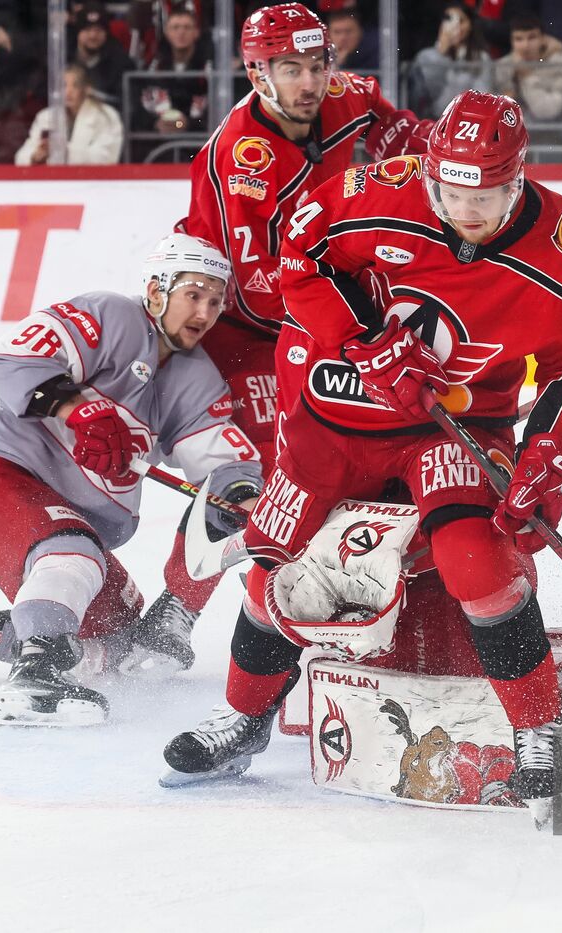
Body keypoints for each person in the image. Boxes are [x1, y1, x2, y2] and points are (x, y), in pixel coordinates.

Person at [162, 90, 562, 825]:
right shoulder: (379, 190)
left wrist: (550, 451)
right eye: (448, 191)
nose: (464, 213)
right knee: (280, 566)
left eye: (489, 196)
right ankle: (244, 718)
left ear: (519, 178)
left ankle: (539, 726)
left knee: (475, 553)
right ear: (430, 166)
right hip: (332, 423)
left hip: (452, 429)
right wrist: (358, 337)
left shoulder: (559, 244)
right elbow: (299, 254)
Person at [0, 234, 262, 727]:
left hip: (71, 521)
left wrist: (238, 496)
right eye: (193, 294)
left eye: (215, 299)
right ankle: (36, 680)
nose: (204, 311)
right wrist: (74, 408)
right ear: (157, 291)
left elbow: (225, 464)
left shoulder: (196, 380)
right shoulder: (106, 316)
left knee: (118, 642)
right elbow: (7, 363)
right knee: (71, 555)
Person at [150, 4, 435, 667]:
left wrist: (419, 145)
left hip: (306, 305)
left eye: (316, 66)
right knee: (266, 477)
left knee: (324, 469)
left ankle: (331, 608)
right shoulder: (241, 154)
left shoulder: (346, 94)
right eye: (290, 69)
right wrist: (356, 321)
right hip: (235, 324)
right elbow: (254, 286)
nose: (310, 83)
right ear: (257, 71)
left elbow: (400, 130)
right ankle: (178, 610)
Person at [16, 63, 124, 165]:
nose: (68, 92)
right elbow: (21, 156)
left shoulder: (106, 116)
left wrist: (67, 152)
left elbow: (107, 157)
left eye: (75, 86)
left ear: (86, 89)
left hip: (92, 182)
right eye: (63, 85)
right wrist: (34, 157)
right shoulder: (46, 116)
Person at [494, 15, 562, 135]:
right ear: (511, 41)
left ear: (543, 38)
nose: (525, 45)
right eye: (518, 39)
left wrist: (526, 76)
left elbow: (547, 111)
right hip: (517, 135)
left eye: (532, 38)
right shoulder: (504, 65)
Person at [132, 4, 211, 143]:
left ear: (196, 32)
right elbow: (140, 106)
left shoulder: (209, 68)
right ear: (167, 32)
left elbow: (214, 111)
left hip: (198, 140)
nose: (181, 32)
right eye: (175, 27)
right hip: (158, 138)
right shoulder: (153, 66)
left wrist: (190, 124)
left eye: (187, 27)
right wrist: (155, 123)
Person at [407, 4, 495, 120]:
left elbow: (483, 97)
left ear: (470, 25)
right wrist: (441, 53)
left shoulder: (481, 58)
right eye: (449, 19)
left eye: (461, 21)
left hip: (465, 123)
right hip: (431, 122)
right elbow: (424, 94)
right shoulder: (425, 57)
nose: (455, 26)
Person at [70, 2, 135, 108]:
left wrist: (95, 95)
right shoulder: (64, 58)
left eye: (98, 30)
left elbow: (127, 103)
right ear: (78, 32)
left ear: (106, 34)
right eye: (87, 29)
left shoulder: (120, 63)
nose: (93, 35)